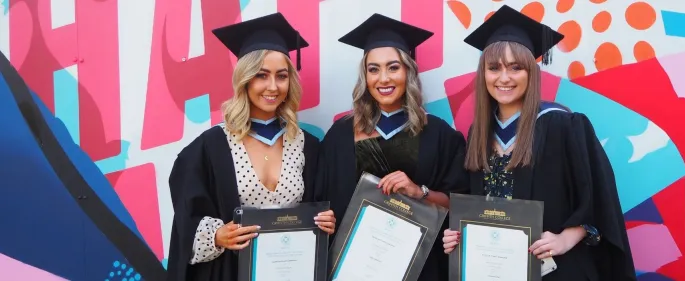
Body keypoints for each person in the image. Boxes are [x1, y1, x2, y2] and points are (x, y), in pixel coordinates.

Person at [440, 5, 636, 281]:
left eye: (515, 67)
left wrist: (567, 238)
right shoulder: (478, 134)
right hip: (494, 271)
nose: (504, 78)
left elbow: (601, 200)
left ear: (531, 72)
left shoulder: (563, 125)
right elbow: (475, 208)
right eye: (494, 68)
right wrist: (459, 235)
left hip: (555, 270)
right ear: (483, 74)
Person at [165, 13, 336, 281]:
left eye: (281, 76)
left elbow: (319, 213)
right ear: (245, 79)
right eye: (261, 75)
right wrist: (217, 235)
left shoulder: (308, 147)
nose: (272, 86)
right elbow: (187, 222)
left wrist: (326, 222)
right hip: (232, 273)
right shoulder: (210, 149)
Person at [312, 13, 469, 281]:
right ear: (365, 76)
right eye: (373, 69)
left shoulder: (439, 134)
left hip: (420, 270)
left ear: (408, 70)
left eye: (393, 67)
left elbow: (458, 204)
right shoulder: (340, 136)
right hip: (355, 270)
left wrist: (419, 191)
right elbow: (322, 203)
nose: (383, 78)